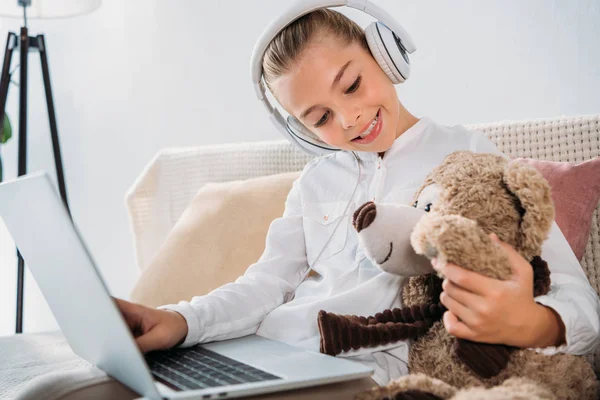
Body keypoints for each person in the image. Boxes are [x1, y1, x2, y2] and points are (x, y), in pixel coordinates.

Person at [115, 7, 600, 386]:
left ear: (384, 53)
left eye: (351, 85)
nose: (347, 119)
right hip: (273, 352)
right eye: (320, 118)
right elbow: (266, 285)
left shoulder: (470, 156)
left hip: (372, 369)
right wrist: (180, 319)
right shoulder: (314, 181)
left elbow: (580, 301)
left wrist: (533, 323)